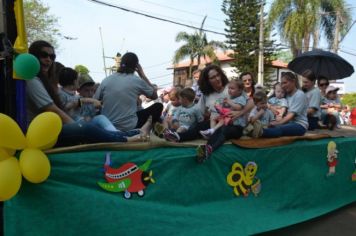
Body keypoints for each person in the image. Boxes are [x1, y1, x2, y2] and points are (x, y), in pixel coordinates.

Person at [26, 40, 151, 147]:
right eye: (44, 55)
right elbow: (55, 110)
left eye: (52, 57)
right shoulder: (33, 81)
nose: (48, 59)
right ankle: (127, 140)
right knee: (86, 127)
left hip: (57, 126)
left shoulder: (47, 84)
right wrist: (78, 124)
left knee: (97, 120)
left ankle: (137, 132)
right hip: (44, 133)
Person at [94, 52, 163, 131]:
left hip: (107, 125)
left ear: (121, 64)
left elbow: (94, 100)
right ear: (136, 66)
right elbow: (154, 96)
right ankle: (146, 132)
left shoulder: (106, 80)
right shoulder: (136, 80)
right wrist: (142, 74)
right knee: (158, 106)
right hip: (129, 126)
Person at [58, 67, 118, 132]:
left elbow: (82, 108)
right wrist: (87, 101)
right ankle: (118, 136)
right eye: (86, 90)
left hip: (82, 123)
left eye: (92, 90)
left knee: (101, 118)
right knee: (97, 123)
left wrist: (95, 106)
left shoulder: (74, 96)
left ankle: (117, 134)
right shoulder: (61, 94)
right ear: (75, 82)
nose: (90, 93)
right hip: (74, 126)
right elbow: (67, 108)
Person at [253, 72, 309, 138]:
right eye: (282, 83)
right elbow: (266, 100)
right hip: (287, 122)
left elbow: (291, 115)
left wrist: (278, 123)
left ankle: (260, 132)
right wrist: (271, 107)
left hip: (299, 125)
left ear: (293, 81)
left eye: (285, 83)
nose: (283, 86)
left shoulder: (299, 95)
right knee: (273, 126)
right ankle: (255, 130)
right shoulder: (285, 94)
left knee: (279, 129)